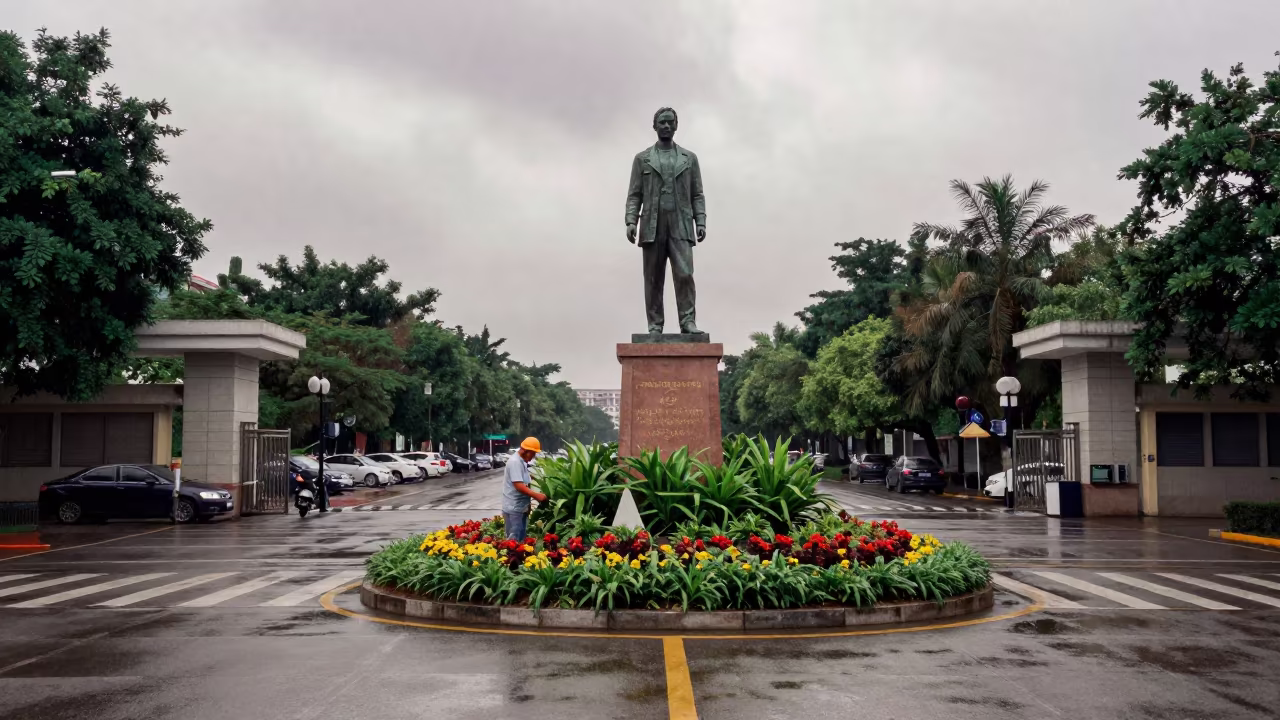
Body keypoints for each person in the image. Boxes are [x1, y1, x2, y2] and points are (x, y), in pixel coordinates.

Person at [503, 436, 548, 541]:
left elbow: (523, 479)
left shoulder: (521, 461)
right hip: (514, 509)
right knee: (513, 541)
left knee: (520, 539)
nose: (533, 456)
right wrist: (537, 496)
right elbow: (519, 486)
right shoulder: (515, 462)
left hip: (520, 508)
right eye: (532, 453)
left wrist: (537, 478)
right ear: (525, 450)